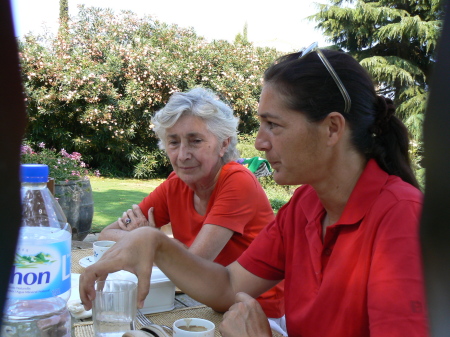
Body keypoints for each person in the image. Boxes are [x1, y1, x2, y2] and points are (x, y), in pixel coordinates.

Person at [80, 45, 428, 337]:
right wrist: (154, 243)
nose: (260, 142)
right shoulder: (306, 205)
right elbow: (231, 284)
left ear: (332, 128)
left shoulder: (401, 218)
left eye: (273, 125)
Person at [97, 87, 284, 320]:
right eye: (173, 142)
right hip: (212, 305)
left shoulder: (237, 181)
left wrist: (148, 238)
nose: (183, 155)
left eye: (195, 141)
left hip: (259, 314)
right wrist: (151, 241)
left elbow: (193, 266)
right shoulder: (175, 184)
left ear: (223, 144)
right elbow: (106, 234)